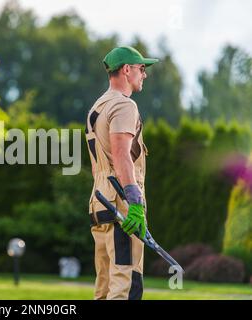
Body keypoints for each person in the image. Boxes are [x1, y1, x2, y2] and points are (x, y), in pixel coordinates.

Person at [85, 46, 158, 300]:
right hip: (121, 206)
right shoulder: (124, 106)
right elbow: (121, 154)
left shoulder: (97, 107)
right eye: (141, 68)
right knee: (125, 286)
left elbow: (99, 166)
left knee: (104, 288)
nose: (144, 74)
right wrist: (135, 202)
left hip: (100, 202)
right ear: (127, 70)